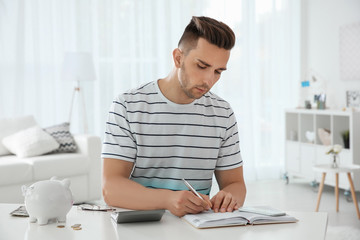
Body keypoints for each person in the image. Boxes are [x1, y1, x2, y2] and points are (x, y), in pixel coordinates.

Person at [102, 16, 246, 217]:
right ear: (178, 58)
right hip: (142, 225)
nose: (208, 80)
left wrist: (230, 196)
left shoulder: (223, 113)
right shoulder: (128, 105)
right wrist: (168, 200)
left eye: (218, 71)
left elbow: (235, 184)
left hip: (198, 227)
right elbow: (111, 188)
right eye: (202, 66)